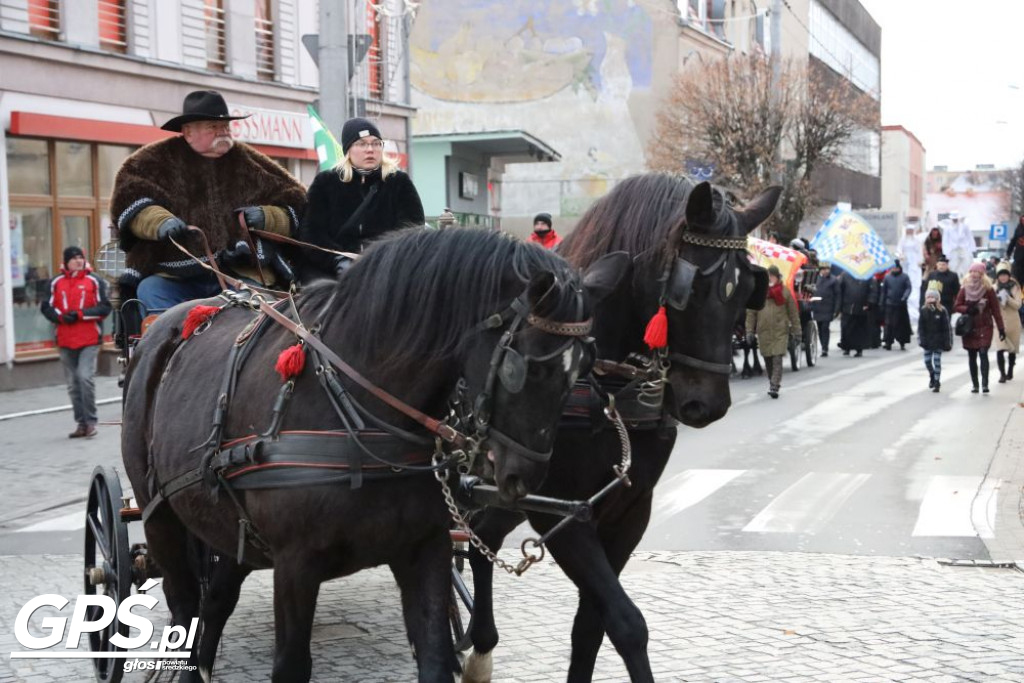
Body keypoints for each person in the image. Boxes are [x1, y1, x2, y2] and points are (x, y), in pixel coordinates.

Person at [110, 90, 307, 310]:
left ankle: (242, 344)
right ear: (188, 132)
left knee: (259, 302)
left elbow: (296, 201)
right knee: (150, 290)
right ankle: (176, 344)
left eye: (225, 127)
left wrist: (267, 217)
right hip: (175, 275)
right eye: (213, 127)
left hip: (239, 272)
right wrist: (159, 221)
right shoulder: (154, 161)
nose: (222, 132)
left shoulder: (249, 161)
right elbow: (130, 196)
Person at [299, 117, 425, 279]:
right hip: (331, 270)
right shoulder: (325, 182)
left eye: (376, 143)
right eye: (362, 144)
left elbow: (411, 229)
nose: (370, 149)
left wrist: (381, 258)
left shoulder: (399, 182)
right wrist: (338, 259)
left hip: (386, 268)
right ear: (348, 149)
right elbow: (311, 233)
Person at [39, 247, 112, 438]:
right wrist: (61, 318)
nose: (78, 261)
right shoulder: (56, 282)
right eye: (74, 258)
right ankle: (81, 423)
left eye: (81, 257)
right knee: (72, 384)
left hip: (89, 339)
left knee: (84, 377)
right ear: (66, 262)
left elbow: (105, 308)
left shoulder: (94, 281)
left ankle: (90, 422)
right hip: (64, 339)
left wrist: (80, 315)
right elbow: (46, 307)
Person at [746, 265, 800, 398]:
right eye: (768, 276)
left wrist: (797, 330)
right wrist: (749, 331)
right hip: (763, 332)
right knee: (768, 359)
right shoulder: (759, 293)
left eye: (773, 276)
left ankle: (775, 385)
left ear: (777, 277)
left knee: (777, 358)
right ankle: (772, 381)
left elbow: (793, 313)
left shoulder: (785, 292)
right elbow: (751, 313)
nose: (770, 278)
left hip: (780, 331)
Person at [954, 262, 1006, 394]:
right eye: (972, 272)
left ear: (982, 274)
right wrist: (968, 309)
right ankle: (975, 384)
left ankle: (985, 384)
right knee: (972, 356)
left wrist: (1001, 328)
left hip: (985, 326)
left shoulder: (988, 289)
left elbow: (995, 310)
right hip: (969, 327)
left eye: (976, 272)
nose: (974, 274)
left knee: (983, 353)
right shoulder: (964, 288)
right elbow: (956, 306)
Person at [918, 288, 952, 393]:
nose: (930, 299)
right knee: (927, 361)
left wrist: (947, 342)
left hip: (939, 341)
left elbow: (947, 327)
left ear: (937, 298)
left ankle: (937, 381)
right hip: (927, 341)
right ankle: (932, 374)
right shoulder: (923, 310)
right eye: (928, 297)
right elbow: (921, 327)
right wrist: (921, 339)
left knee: (937, 360)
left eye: (932, 297)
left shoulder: (942, 310)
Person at [993, 261, 1022, 383]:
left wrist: (1007, 298)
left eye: (1005, 275)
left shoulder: (1015, 287)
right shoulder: (993, 288)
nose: (1003, 277)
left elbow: (1018, 305)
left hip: (1013, 323)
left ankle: (1010, 370)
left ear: (1009, 276)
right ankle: (1002, 374)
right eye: (1000, 275)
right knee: (1000, 349)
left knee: (1012, 350)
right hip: (998, 323)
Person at [837, 271, 873, 357]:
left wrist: (869, 304)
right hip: (847, 306)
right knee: (846, 328)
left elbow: (871, 291)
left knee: (859, 330)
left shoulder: (866, 275)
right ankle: (846, 347)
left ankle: (859, 349)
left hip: (861, 306)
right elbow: (839, 289)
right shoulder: (844, 275)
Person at [809, 261, 840, 357]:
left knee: (825, 328)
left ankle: (825, 348)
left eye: (828, 269)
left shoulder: (833, 280)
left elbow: (838, 295)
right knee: (820, 327)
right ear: (820, 270)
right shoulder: (815, 279)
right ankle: (823, 345)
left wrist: (836, 309)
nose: (826, 271)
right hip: (817, 307)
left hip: (828, 307)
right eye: (824, 269)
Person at [880, 261, 912, 350]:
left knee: (902, 324)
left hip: (901, 304)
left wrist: (905, 297)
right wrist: (881, 302)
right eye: (893, 268)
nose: (895, 269)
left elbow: (908, 288)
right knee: (888, 324)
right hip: (890, 304)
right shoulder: (887, 277)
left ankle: (902, 342)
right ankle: (888, 342)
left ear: (899, 268)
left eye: (896, 268)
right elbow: (884, 291)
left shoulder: (905, 277)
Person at [1006, 215, 1024, 285]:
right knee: (1018, 278)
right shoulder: (1018, 229)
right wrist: (1008, 253)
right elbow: (1013, 241)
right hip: (1019, 257)